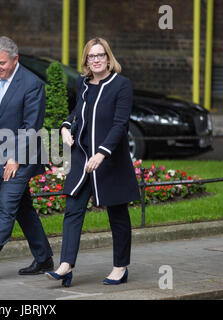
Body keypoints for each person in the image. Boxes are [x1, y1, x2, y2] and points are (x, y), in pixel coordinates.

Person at [45, 37, 140, 287]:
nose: (96, 60)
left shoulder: (122, 85)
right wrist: (66, 126)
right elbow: (78, 112)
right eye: (91, 56)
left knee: (117, 215)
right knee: (73, 208)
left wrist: (103, 152)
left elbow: (120, 124)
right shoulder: (83, 83)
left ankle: (120, 267)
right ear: (86, 60)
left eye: (100, 55)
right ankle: (66, 265)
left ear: (108, 58)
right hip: (83, 157)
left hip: (110, 161)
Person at [0, 36, 53, 280]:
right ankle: (44, 258)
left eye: (2, 63)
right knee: (23, 209)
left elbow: (31, 127)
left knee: (6, 206)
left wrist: (14, 158)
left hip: (21, 158)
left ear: (16, 59)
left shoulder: (32, 84)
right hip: (0, 156)